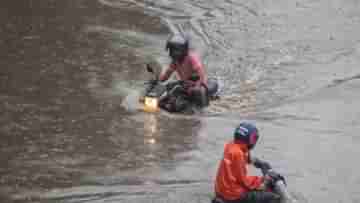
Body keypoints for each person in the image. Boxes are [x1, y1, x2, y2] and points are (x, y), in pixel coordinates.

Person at [213, 122, 281, 203]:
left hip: (221, 189)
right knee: (274, 198)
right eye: (254, 139)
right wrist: (264, 183)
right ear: (250, 139)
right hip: (233, 194)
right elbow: (244, 182)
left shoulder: (231, 145)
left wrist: (259, 163)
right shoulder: (238, 154)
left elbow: (247, 158)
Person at [159, 33, 208, 108]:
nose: (174, 53)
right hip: (185, 83)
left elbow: (201, 72)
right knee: (169, 86)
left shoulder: (192, 58)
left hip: (197, 83)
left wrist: (199, 85)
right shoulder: (175, 61)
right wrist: (158, 80)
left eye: (176, 50)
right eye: (172, 50)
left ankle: (201, 112)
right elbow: (167, 74)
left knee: (197, 92)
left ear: (183, 50)